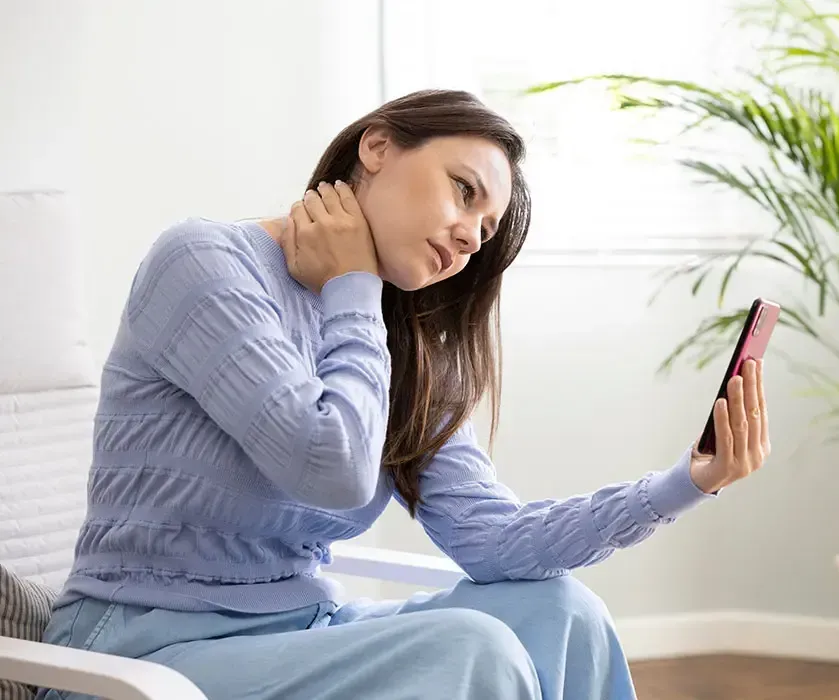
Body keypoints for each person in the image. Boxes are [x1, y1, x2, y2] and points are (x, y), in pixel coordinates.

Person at [38, 89, 770, 700]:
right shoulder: (205, 263)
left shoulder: (399, 343)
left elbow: (496, 541)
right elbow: (330, 466)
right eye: (463, 191)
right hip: (138, 652)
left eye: (484, 233)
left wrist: (686, 482)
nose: (467, 239)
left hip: (299, 636)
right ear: (378, 147)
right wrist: (353, 285)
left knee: (562, 611)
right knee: (470, 648)